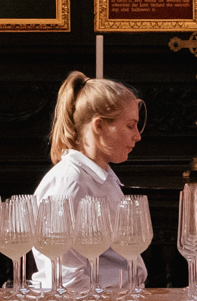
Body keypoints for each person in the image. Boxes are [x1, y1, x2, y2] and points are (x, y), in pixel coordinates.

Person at [31, 71, 146, 289]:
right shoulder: (70, 183)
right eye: (130, 125)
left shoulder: (103, 177)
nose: (137, 135)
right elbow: (64, 280)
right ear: (99, 126)